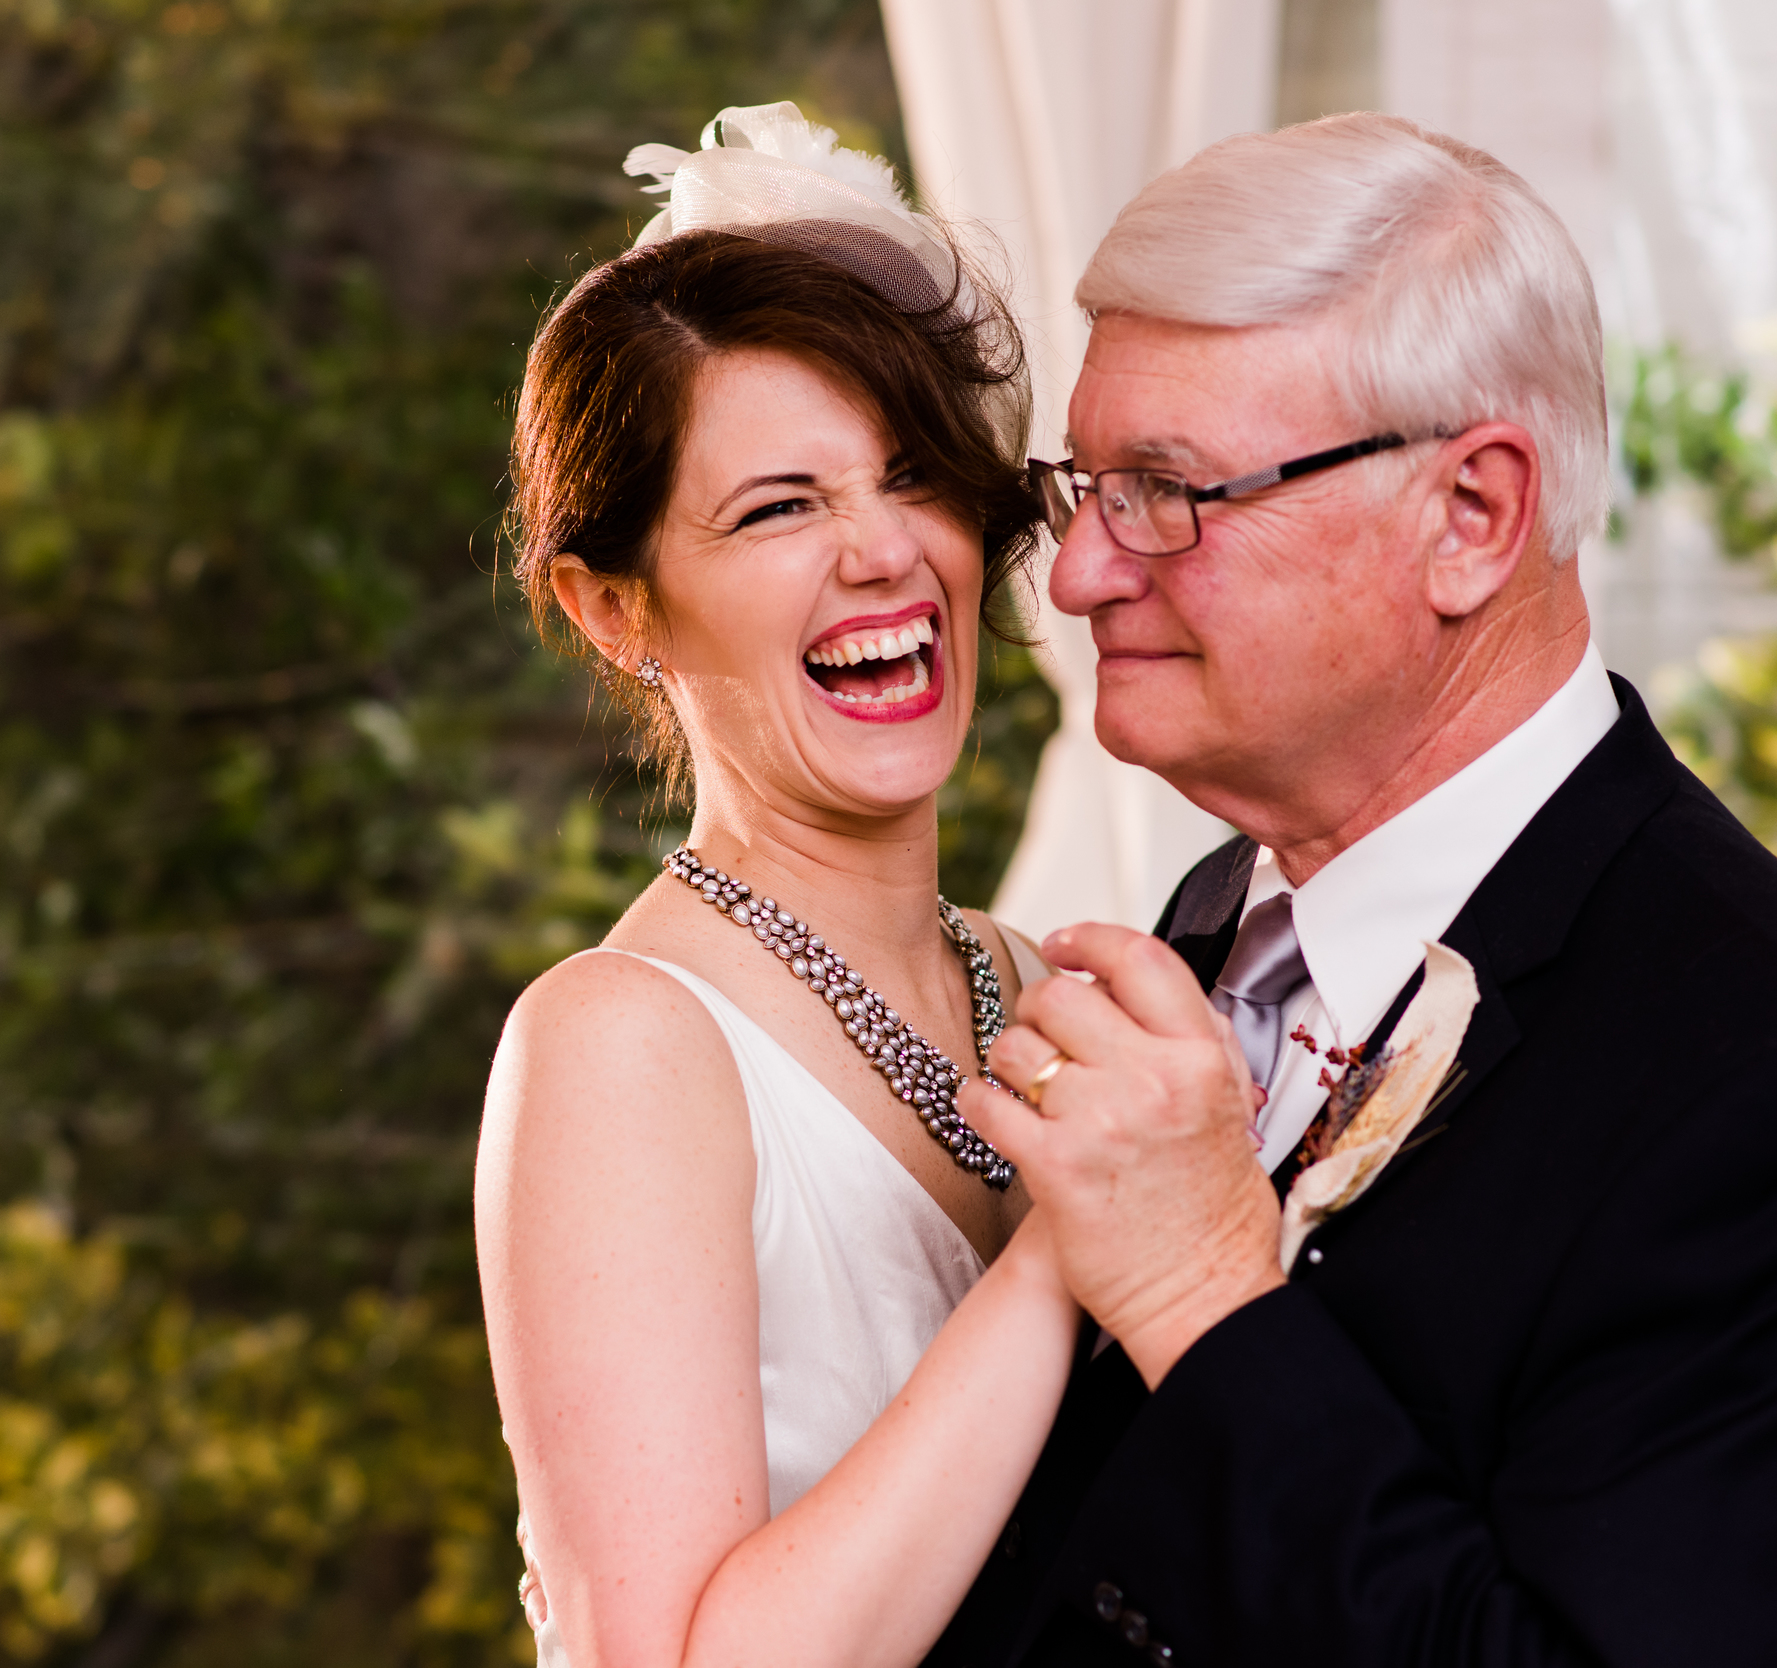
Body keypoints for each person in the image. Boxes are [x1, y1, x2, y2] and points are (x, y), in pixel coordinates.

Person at [927, 113, 1777, 1668]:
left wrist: (1203, 1297)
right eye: (1088, 487)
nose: (1080, 574)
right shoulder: (1209, 923)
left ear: (1473, 518)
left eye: (1170, 494)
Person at [478, 105, 1077, 1668]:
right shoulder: (623, 1046)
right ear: (615, 610)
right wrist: (1075, 1249)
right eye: (780, 507)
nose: (884, 551)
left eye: (913, 476)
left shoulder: (1064, 992)